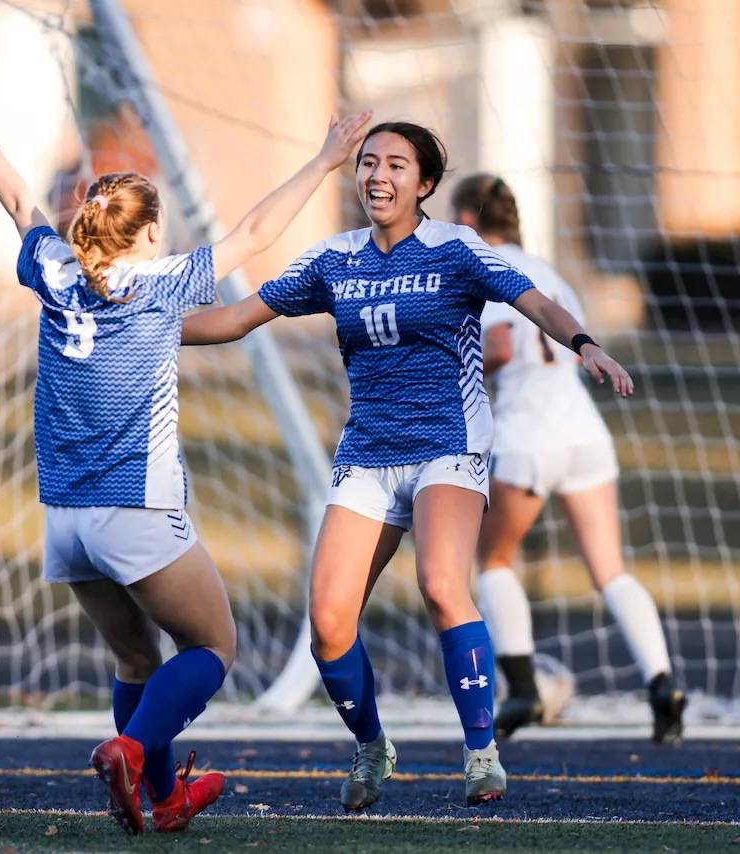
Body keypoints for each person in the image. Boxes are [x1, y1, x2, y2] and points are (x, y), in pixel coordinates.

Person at [0, 86, 371, 834]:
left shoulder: (55, 273)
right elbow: (255, 232)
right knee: (210, 645)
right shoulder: (159, 285)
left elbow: (21, 207)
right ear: (152, 232)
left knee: (137, 662)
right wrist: (325, 161)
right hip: (136, 506)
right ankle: (131, 751)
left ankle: (161, 801)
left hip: (65, 519)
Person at [181, 122, 634, 808]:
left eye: (396, 164)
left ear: (424, 184)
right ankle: (371, 748)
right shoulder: (334, 259)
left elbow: (533, 299)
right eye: (368, 162)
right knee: (328, 622)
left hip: (449, 447)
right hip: (367, 454)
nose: (377, 174)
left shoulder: (456, 248)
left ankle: (481, 753)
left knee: (441, 583)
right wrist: (143, 324)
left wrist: (585, 343)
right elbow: (239, 317)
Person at [449, 173, 685, 743]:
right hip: (583, 431)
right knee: (609, 569)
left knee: (495, 561)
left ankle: (525, 687)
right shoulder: (550, 272)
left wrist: (447, 376)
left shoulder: (490, 267)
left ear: (470, 223)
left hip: (529, 435)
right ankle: (663, 684)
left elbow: (501, 345)